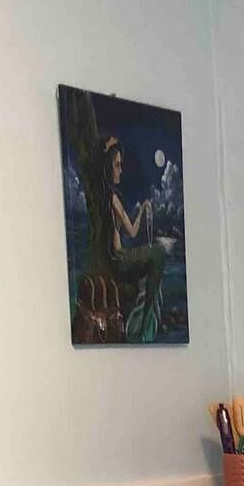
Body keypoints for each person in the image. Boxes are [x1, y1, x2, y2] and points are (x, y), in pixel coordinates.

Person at [98, 136, 165, 341]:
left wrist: (143, 208)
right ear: (109, 167)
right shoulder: (112, 199)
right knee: (158, 252)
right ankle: (146, 319)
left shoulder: (110, 198)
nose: (120, 170)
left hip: (120, 257)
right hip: (120, 259)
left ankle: (147, 316)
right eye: (117, 165)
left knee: (155, 253)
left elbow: (132, 232)